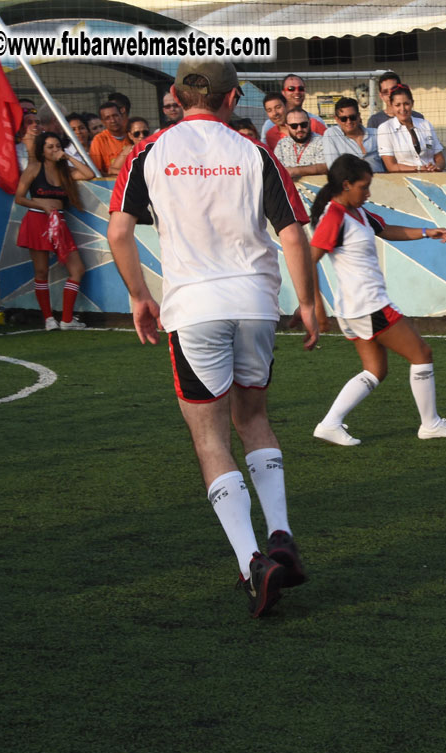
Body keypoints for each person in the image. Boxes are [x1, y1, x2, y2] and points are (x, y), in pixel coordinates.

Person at [107, 58, 319, 619]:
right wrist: (308, 302)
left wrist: (137, 294)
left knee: (210, 438)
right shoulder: (255, 152)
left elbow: (119, 230)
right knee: (254, 419)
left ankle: (254, 563)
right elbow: (293, 234)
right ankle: (281, 535)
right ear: (233, 101)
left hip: (193, 309)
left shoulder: (148, 152)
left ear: (176, 96)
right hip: (254, 303)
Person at [309, 154, 446, 445]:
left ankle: (329, 424)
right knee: (421, 353)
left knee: (376, 370)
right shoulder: (334, 216)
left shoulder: (357, 211)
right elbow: (309, 259)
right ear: (346, 185)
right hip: (368, 306)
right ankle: (430, 424)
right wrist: (315, 305)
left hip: (355, 309)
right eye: (364, 186)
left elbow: (386, 230)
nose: (368, 192)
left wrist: (425, 232)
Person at [15, 132, 96, 330]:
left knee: (77, 269)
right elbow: (19, 198)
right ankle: (49, 318)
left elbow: (89, 174)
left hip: (58, 222)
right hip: (37, 219)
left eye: (57, 146)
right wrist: (42, 207)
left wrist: (68, 157)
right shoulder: (34, 168)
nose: (54, 150)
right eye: (50, 147)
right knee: (41, 271)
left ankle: (67, 319)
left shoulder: (65, 170)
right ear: (42, 150)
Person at [378, 85, 446, 172]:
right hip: (403, 180)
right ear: (391, 106)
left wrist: (437, 166)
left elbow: (440, 159)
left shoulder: (425, 124)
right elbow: (391, 167)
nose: (402, 109)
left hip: (432, 177)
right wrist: (419, 168)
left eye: (406, 104)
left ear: (412, 103)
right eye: (397, 105)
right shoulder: (385, 128)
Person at [323, 96, 383, 173]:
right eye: (343, 119)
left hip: (381, 180)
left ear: (358, 116)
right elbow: (333, 167)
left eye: (352, 117)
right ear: (337, 119)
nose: (349, 121)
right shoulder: (331, 134)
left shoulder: (376, 133)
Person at [275, 106, 328, 181]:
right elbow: (276, 170)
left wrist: (295, 171)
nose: (299, 129)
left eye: (303, 125)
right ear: (287, 126)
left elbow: (324, 167)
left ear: (309, 123)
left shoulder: (322, 141)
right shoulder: (281, 144)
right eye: (294, 126)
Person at [89, 101, 128, 173]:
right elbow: (97, 171)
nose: (113, 120)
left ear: (121, 116)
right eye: (107, 118)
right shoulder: (99, 140)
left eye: (115, 115)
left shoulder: (134, 134)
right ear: (103, 122)